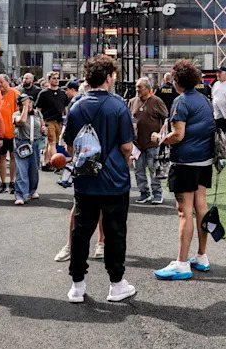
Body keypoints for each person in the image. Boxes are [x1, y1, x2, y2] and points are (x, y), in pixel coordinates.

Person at [64, 55, 136, 303]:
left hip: (85, 179)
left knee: (81, 232)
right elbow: (127, 146)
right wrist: (124, 165)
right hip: (114, 179)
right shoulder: (118, 106)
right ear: (108, 77)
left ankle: (77, 285)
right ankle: (116, 284)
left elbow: (71, 146)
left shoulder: (76, 105)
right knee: (115, 232)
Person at [152, 60, 216, 280]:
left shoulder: (181, 101)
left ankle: (181, 263)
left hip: (185, 163)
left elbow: (178, 135)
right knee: (201, 209)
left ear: (177, 82)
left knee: (184, 212)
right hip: (204, 161)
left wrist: (160, 139)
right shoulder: (205, 100)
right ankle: (201, 256)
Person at [128, 77, 169, 203]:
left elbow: (167, 119)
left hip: (152, 143)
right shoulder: (132, 101)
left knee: (153, 169)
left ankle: (157, 193)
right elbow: (129, 118)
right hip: (137, 144)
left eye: (139, 87)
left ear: (148, 88)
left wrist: (160, 134)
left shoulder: (157, 101)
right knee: (139, 170)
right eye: (136, 87)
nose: (137, 89)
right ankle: (144, 193)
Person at [12, 92, 44, 205]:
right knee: (22, 170)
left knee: (34, 169)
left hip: (35, 144)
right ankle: (20, 194)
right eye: (25, 102)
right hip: (22, 144)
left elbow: (42, 124)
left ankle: (32, 190)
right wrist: (25, 107)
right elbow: (21, 121)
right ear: (20, 105)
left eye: (30, 102)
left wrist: (44, 129)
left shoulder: (37, 114)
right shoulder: (16, 114)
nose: (29, 104)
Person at [0, 74, 19, 194]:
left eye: (1, 82)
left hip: (13, 133)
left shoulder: (15, 94)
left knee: (13, 157)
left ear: (8, 82)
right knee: (1, 157)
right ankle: (3, 182)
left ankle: (12, 182)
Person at [36, 71, 68, 172]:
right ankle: (56, 163)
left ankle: (45, 162)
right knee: (52, 142)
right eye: (54, 78)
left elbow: (65, 107)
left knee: (50, 143)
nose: (56, 80)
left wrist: (66, 119)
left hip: (59, 121)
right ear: (49, 80)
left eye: (57, 78)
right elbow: (38, 109)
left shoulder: (62, 93)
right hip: (48, 120)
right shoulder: (44, 93)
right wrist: (41, 123)